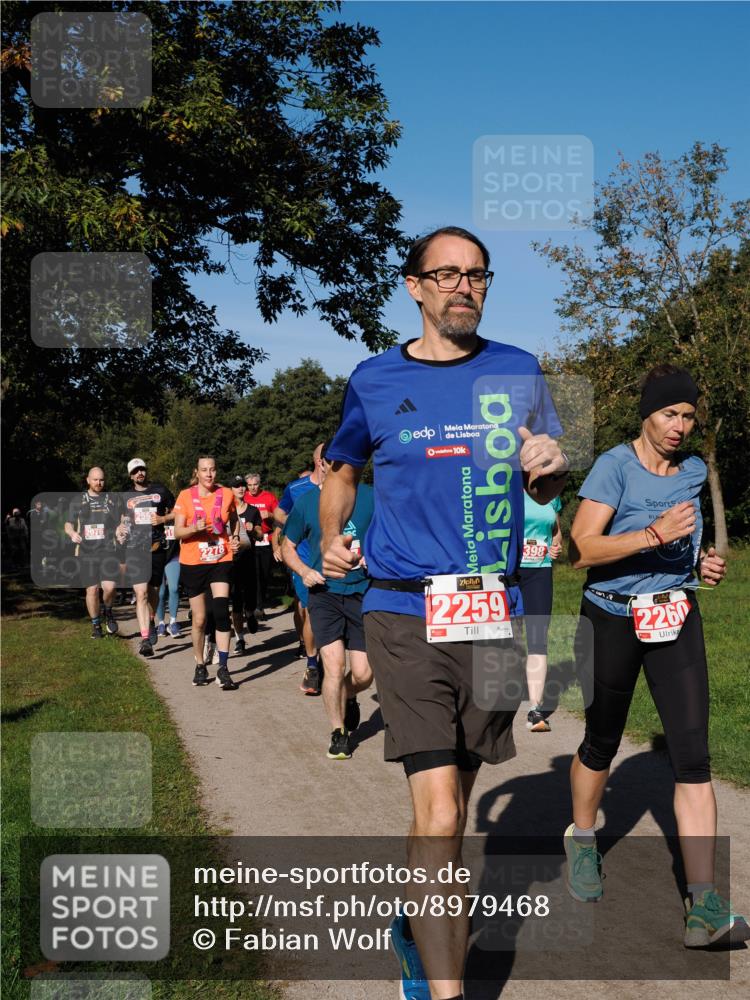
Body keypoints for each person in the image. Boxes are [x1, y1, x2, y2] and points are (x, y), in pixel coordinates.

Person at [321, 226, 568, 1000]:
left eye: (478, 275)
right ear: (416, 287)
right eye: (448, 274)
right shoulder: (372, 378)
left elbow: (544, 481)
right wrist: (332, 536)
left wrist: (551, 468)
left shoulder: (519, 370)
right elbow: (341, 468)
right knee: (437, 809)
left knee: (453, 805)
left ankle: (412, 932)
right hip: (402, 611)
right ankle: (447, 989)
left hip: (488, 611)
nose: (465, 287)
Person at [566, 364, 749, 947]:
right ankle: (584, 838)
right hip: (611, 616)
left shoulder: (693, 471)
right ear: (647, 413)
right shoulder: (614, 466)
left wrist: (700, 565)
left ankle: (704, 905)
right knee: (601, 740)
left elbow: (684, 547)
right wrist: (654, 535)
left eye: (689, 415)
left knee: (693, 755)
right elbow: (583, 549)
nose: (680, 425)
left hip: (674, 615)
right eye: (670, 413)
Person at [281, 442, 374, 760]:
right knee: (334, 667)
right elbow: (287, 545)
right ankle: (338, 732)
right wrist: (304, 571)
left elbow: (387, 538)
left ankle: (347, 696)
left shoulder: (371, 497)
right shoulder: (307, 502)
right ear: (321, 464)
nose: (332, 467)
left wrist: (372, 559)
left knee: (364, 674)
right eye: (327, 462)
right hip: (324, 595)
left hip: (362, 592)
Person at [173, 457, 240, 690]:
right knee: (200, 619)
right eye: (204, 470)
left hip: (220, 559)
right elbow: (177, 532)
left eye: (212, 470)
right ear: (197, 472)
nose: (209, 474)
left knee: (222, 611)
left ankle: (223, 667)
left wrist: (235, 537)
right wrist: (194, 528)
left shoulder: (227, 494)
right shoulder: (185, 496)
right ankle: (200, 664)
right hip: (193, 562)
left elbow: (234, 519)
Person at [274, 443, 326, 694]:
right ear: (319, 461)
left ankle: (327, 656)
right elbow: (278, 512)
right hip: (303, 559)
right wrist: (297, 524)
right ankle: (313, 665)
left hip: (331, 559)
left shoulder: (341, 488)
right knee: (309, 609)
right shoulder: (296, 489)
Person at [121, 459, 176, 658]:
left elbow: (178, 511)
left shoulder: (161, 490)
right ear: (130, 475)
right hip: (135, 549)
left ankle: (151, 619)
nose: (139, 473)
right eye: (135, 471)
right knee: (141, 593)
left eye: (142, 469)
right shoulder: (125, 496)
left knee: (154, 591)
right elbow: (121, 520)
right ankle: (145, 639)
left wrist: (163, 519)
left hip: (157, 547)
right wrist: (120, 529)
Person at [519, 495, 563, 732]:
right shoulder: (507, 486)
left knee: (537, 640)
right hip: (509, 573)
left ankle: (535, 710)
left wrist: (556, 545)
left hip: (539, 572)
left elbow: (556, 532)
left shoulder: (551, 495)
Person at [64, 468, 123, 638]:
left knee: (110, 588)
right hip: (86, 551)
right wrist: (72, 533)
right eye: (95, 480)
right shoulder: (78, 500)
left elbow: (121, 520)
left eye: (102, 480)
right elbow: (68, 524)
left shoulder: (112, 499)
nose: (99, 483)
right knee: (92, 590)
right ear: (88, 480)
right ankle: (96, 625)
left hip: (108, 550)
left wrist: (120, 529)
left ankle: (109, 611)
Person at [230, 475, 264, 653]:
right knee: (235, 601)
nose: (241, 489)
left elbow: (260, 534)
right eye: (237, 486)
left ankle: (250, 614)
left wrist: (254, 531)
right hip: (231, 562)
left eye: (243, 485)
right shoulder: (226, 511)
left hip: (249, 559)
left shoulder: (252, 511)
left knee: (249, 599)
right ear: (231, 490)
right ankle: (240, 639)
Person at [244, 472, 279, 617]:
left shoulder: (269, 497)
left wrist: (269, 515)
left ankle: (260, 604)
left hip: (265, 540)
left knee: (264, 575)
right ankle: (254, 606)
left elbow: (280, 515)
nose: (252, 488)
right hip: (248, 540)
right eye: (250, 485)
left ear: (260, 484)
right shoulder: (243, 497)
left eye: (255, 485)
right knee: (251, 574)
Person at [156, 522, 181, 638]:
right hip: (157, 556)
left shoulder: (176, 510)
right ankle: (161, 623)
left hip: (174, 555)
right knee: (160, 593)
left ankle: (173, 622)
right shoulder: (153, 511)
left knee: (174, 588)